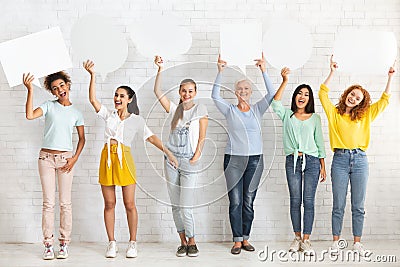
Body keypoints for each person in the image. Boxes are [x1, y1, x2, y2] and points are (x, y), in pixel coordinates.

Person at [83, 60, 178, 258]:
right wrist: (92, 75)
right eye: (116, 95)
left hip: (124, 160)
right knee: (109, 204)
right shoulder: (109, 115)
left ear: (129, 99)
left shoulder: (137, 120)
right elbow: (93, 100)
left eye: (121, 96)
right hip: (107, 158)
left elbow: (151, 137)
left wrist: (168, 153)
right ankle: (111, 243)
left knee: (129, 204)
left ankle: (132, 242)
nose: (117, 98)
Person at [319, 55, 395, 256]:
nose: (354, 98)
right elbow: (322, 93)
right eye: (352, 94)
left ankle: (357, 243)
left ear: (362, 102)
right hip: (340, 160)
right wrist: (332, 72)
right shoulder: (334, 113)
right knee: (338, 204)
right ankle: (335, 242)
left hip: (360, 160)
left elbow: (385, 100)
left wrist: (390, 77)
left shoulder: (366, 114)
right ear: (346, 94)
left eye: (358, 98)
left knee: (358, 205)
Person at [211, 53, 276, 255]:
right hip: (233, 160)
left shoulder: (257, 109)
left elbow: (272, 93)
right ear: (235, 92)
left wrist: (264, 70)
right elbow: (214, 96)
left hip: (255, 161)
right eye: (240, 89)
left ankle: (246, 238)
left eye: (247, 88)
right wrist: (220, 72)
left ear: (250, 92)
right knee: (236, 201)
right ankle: (237, 240)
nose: (243, 91)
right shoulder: (229, 110)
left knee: (248, 201)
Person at [23, 71, 85, 260]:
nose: (60, 90)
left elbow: (82, 139)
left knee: (65, 203)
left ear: (68, 85)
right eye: (55, 88)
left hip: (66, 159)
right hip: (46, 159)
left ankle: (64, 244)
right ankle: (48, 245)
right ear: (53, 92)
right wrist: (30, 90)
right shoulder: (49, 106)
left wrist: (74, 158)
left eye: (62, 85)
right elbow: (29, 115)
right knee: (48, 203)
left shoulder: (76, 113)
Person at [153, 55, 208, 257]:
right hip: (171, 160)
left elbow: (202, 137)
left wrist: (196, 157)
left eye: (190, 91)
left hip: (189, 160)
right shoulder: (173, 109)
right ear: (179, 92)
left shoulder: (201, 109)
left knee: (186, 205)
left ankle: (193, 241)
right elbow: (157, 91)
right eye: (183, 91)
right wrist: (160, 69)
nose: (186, 94)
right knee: (175, 204)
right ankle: (182, 242)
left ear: (195, 93)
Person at [271, 67, 326, 255]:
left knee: (308, 201)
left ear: (310, 100)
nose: (302, 96)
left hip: (312, 162)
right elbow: (275, 102)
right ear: (295, 96)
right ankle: (296, 237)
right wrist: (285, 80)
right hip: (292, 161)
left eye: (307, 95)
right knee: (295, 200)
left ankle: (306, 240)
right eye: (300, 93)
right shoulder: (287, 115)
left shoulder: (315, 118)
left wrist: (323, 166)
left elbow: (320, 143)